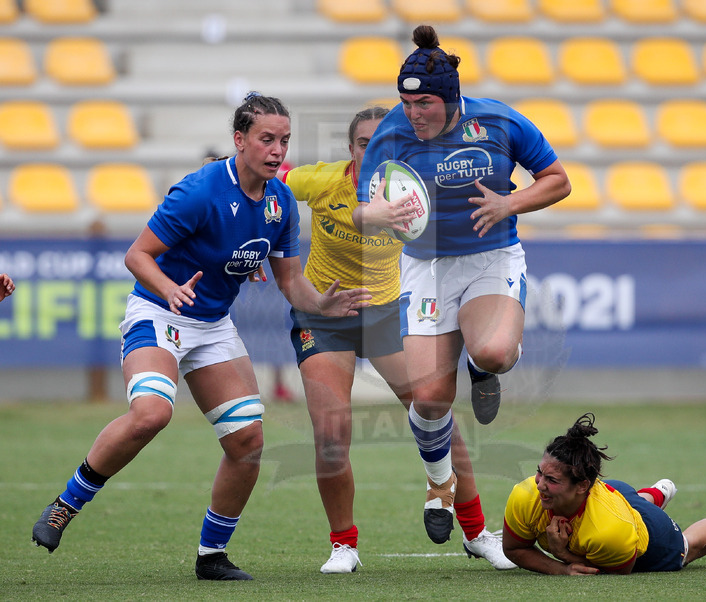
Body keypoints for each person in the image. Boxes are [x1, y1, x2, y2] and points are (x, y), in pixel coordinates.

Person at [30, 93, 370, 581]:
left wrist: (320, 304)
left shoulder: (280, 203)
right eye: (267, 139)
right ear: (240, 140)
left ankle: (211, 556)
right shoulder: (200, 191)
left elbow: (291, 281)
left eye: (284, 140)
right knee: (152, 414)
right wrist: (169, 289)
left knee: (248, 441)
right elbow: (137, 255)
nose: (277, 150)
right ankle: (66, 504)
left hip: (212, 326)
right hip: (159, 312)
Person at [353, 25, 571, 544]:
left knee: (494, 351)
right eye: (407, 102)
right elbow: (362, 210)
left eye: (424, 103)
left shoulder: (499, 121)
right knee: (429, 398)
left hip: (489, 257)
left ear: (451, 99)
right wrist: (376, 214)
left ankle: (482, 367)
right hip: (425, 266)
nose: (413, 113)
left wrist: (508, 203)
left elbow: (558, 180)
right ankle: (439, 485)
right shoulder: (391, 132)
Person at [282, 106, 516, 573]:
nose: (373, 151)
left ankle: (475, 533)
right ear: (350, 149)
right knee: (331, 435)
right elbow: (265, 185)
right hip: (324, 316)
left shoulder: (419, 188)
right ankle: (343, 546)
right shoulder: (323, 181)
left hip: (389, 313)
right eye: (363, 144)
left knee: (436, 414)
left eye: (383, 143)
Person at [503, 413, 706, 574]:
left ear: (582, 486)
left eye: (551, 480)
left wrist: (563, 554)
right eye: (539, 473)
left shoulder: (609, 531)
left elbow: (621, 571)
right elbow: (514, 549)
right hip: (616, 493)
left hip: (646, 534)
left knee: (688, 545)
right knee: (630, 502)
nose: (539, 485)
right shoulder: (525, 494)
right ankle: (655, 494)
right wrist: (560, 569)